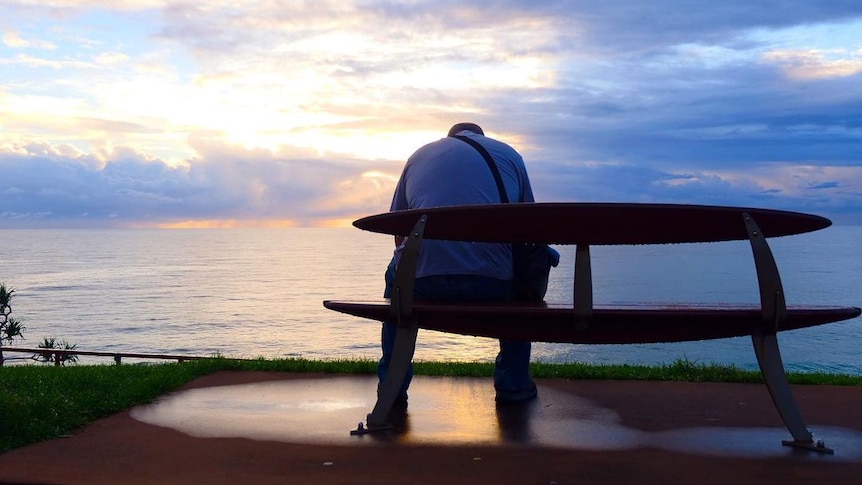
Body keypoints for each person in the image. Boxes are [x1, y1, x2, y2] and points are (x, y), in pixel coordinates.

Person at [378, 122, 550, 405]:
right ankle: (513, 386)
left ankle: (391, 387)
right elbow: (526, 226)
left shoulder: (419, 156)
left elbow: (399, 233)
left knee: (395, 280)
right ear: (481, 136)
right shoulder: (509, 155)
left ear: (450, 137)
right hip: (493, 284)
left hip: (421, 284)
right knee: (522, 289)